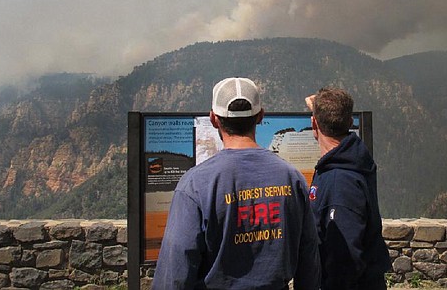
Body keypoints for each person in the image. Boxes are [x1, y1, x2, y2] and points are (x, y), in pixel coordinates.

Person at [153, 77, 321, 290]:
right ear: (260, 116)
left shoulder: (196, 184)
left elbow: (175, 269)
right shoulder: (292, 178)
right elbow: (309, 257)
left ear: (214, 119)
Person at [306, 88, 391, 290]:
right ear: (350, 122)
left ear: (314, 124)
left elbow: (344, 260)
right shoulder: (353, 159)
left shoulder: (339, 183)